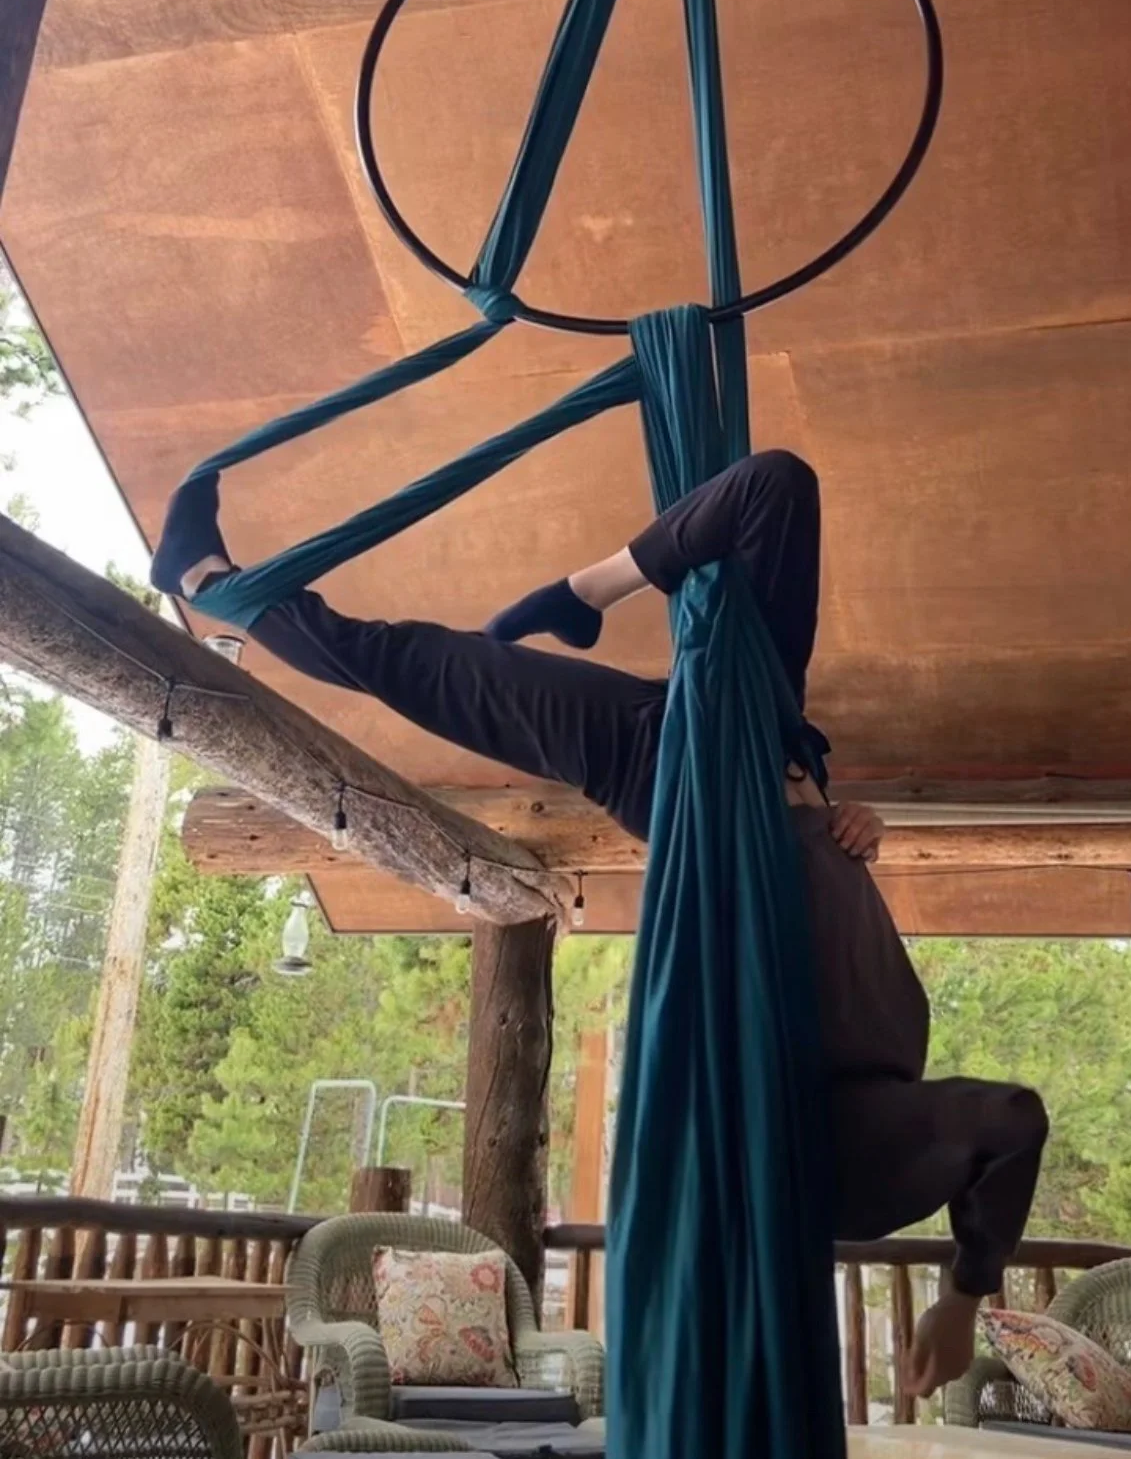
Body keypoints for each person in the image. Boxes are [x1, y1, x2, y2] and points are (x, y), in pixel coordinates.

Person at [152, 447, 1047, 1395]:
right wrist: (962, 1294)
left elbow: (1004, 1119)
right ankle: (572, 593)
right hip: (762, 743)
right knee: (767, 493)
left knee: (414, 662)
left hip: (694, 780)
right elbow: (1007, 1121)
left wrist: (961, 1292)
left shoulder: (751, 1129)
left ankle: (213, 582)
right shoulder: (851, 1150)